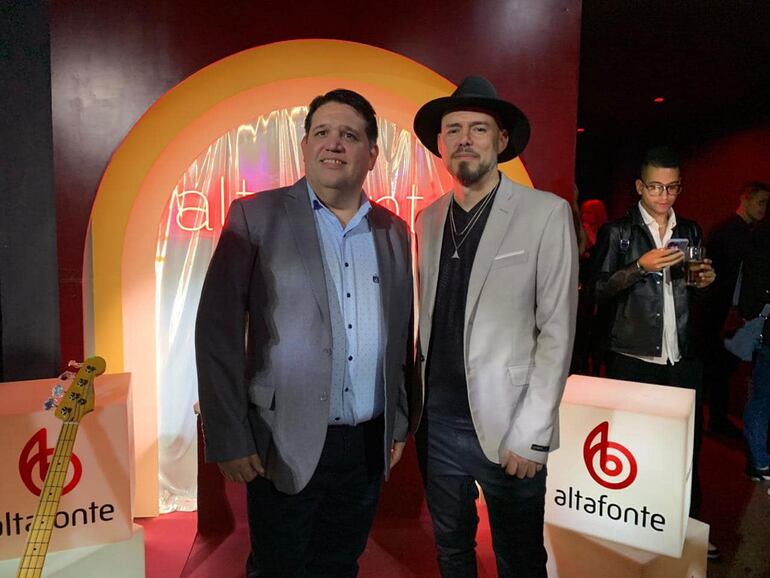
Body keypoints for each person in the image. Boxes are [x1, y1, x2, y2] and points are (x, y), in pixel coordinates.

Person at [195, 88, 414, 578]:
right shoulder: (256, 217)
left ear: (372, 153)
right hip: (281, 438)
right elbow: (217, 334)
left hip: (365, 443)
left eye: (349, 135)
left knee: (340, 564)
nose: (333, 144)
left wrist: (398, 420)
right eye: (322, 133)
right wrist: (228, 436)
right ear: (305, 145)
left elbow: (401, 338)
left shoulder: (394, 231)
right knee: (278, 567)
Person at [412, 76, 578, 577]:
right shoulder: (428, 218)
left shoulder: (545, 213)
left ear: (501, 141)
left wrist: (532, 432)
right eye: (453, 129)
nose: (464, 138)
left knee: (520, 558)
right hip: (436, 422)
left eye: (478, 128)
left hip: (509, 422)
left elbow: (557, 329)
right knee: (452, 550)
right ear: (441, 144)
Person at [590, 145, 718, 557]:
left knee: (686, 451)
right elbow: (598, 289)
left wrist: (702, 283)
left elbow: (688, 291)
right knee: (634, 449)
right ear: (640, 187)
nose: (665, 196)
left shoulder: (691, 230)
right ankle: (638, 533)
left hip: (682, 356)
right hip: (633, 356)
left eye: (673, 187)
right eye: (657, 187)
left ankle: (687, 532)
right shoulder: (619, 232)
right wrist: (640, 266)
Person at [702, 181, 769, 437]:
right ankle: (715, 420)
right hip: (722, 310)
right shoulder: (734, 232)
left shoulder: (739, 231)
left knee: (721, 368)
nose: (763, 208)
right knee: (719, 367)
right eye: (760, 202)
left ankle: (715, 419)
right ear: (746, 199)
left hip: (726, 310)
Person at [738, 218, 770, 481]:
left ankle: (758, 458)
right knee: (762, 395)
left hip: (764, 328)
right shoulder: (761, 238)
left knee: (762, 395)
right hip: (766, 330)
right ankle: (758, 459)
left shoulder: (758, 235)